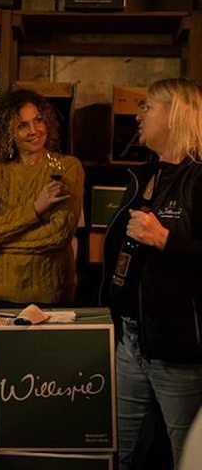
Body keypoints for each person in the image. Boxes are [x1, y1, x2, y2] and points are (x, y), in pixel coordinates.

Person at [103, 77, 202, 469]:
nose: (137, 115)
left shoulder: (199, 178)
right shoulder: (145, 175)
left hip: (178, 350)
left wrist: (164, 239)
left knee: (188, 458)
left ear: (174, 114)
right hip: (131, 341)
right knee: (123, 457)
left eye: (147, 106)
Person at [0, 88, 84, 318]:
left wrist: (1, 245)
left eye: (38, 120)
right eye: (22, 125)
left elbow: (59, 234)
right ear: (7, 132)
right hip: (1, 294)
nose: (34, 130)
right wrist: (36, 209)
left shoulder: (67, 167)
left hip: (50, 294)